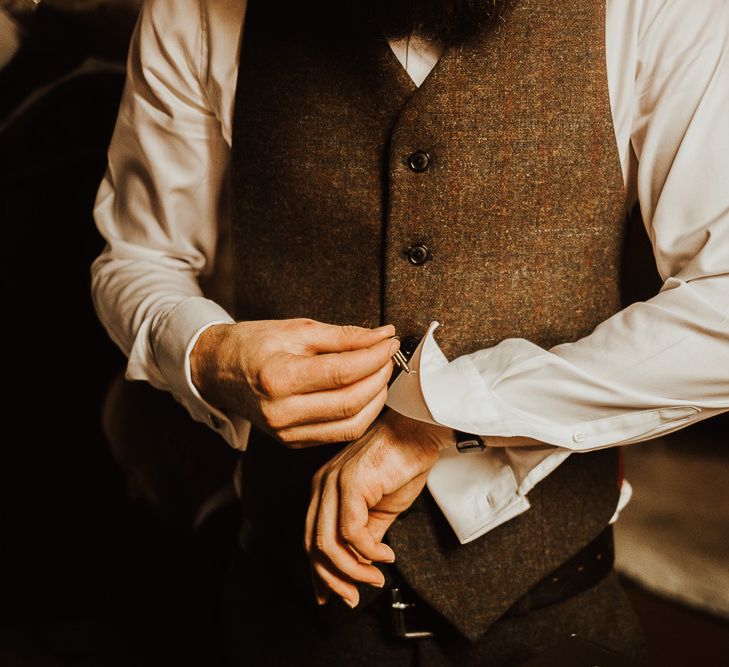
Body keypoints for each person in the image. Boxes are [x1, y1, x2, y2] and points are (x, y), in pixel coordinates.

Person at [91, 0, 729, 664]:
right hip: (282, 618)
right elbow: (139, 257)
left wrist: (441, 415)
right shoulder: (197, 9)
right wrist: (205, 354)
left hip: (558, 619)